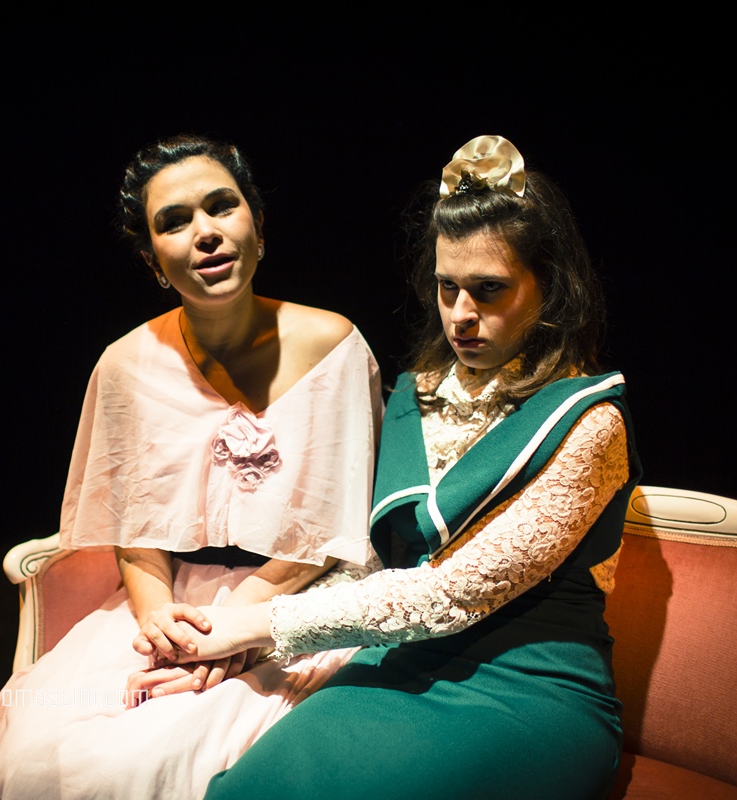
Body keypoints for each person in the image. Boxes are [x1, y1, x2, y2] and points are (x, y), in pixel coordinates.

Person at [169, 135, 641, 800]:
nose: (461, 315)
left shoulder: (589, 419)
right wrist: (245, 643)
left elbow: (452, 593)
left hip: (532, 690)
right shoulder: (414, 398)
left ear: (551, 286)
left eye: (489, 290)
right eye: (447, 288)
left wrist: (260, 624)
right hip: (401, 661)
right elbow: (376, 566)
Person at [0, 134, 382, 799]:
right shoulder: (124, 364)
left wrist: (239, 627)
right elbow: (135, 532)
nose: (205, 232)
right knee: (44, 754)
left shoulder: (335, 345)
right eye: (175, 222)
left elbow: (333, 527)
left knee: (157, 758)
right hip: (173, 601)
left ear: (257, 225)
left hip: (299, 601)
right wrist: (160, 623)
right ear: (154, 261)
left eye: (221, 206)